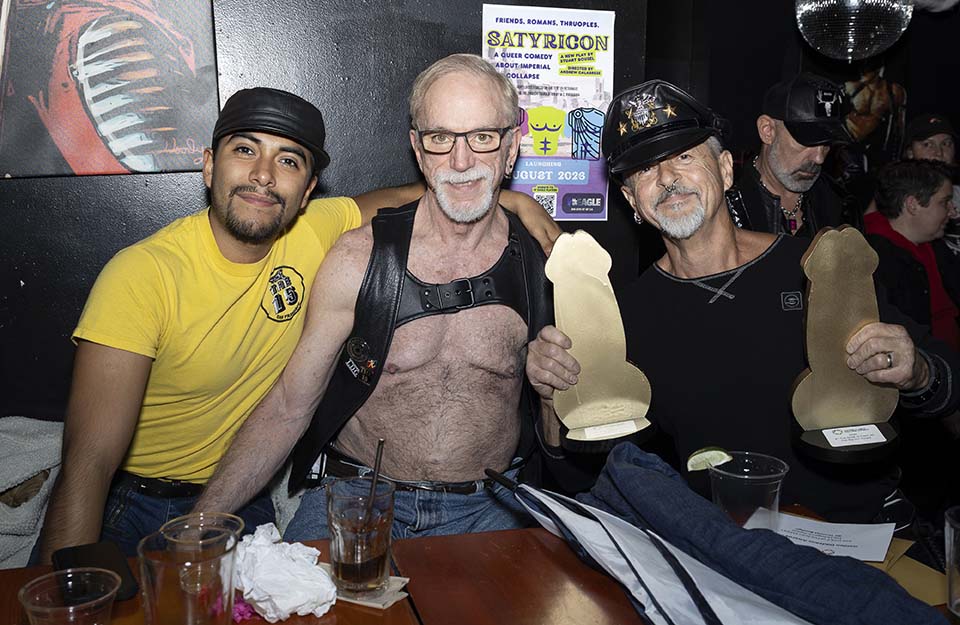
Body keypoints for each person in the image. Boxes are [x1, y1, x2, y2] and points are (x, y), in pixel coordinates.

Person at [36, 86, 558, 561]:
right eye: (245, 150)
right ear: (208, 166)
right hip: (138, 495)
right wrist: (70, 590)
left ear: (308, 190)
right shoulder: (143, 275)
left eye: (287, 160)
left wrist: (506, 197)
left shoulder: (319, 233)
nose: (264, 175)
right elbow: (89, 462)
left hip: (246, 487)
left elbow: (425, 195)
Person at [526, 79, 960, 523]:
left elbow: (946, 381)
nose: (668, 179)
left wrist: (918, 371)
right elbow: (581, 478)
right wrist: (553, 398)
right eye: (645, 170)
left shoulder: (812, 269)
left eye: (684, 157)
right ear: (632, 200)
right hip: (726, 543)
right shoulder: (624, 316)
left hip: (851, 529)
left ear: (726, 170)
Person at [193, 54, 555, 539]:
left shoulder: (545, 264)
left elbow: (565, 433)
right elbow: (288, 406)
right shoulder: (357, 257)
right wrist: (200, 523)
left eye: (483, 137)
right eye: (441, 138)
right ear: (418, 149)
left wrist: (553, 397)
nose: (461, 161)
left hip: (490, 508)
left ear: (511, 148)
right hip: (359, 500)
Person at [727, 73, 860, 236]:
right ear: (767, 130)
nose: (819, 158)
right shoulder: (726, 204)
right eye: (807, 141)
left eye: (827, 143)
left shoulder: (841, 204)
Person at [866, 159, 960, 351]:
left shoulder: (932, 245)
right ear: (912, 205)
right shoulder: (876, 260)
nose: (953, 211)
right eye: (944, 202)